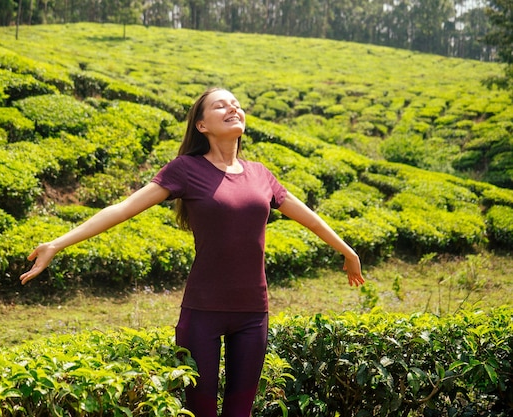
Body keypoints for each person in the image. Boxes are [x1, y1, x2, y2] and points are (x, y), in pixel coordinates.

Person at [20, 87, 365, 417]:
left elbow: (312, 221)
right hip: (202, 313)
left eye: (235, 103)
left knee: (240, 412)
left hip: (252, 313)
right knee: (200, 412)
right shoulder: (185, 169)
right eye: (220, 105)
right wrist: (57, 244)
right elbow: (122, 209)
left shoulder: (261, 175)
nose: (232, 108)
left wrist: (348, 251)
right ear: (202, 125)